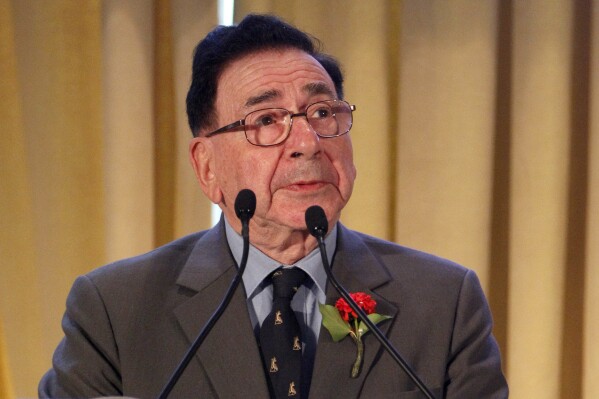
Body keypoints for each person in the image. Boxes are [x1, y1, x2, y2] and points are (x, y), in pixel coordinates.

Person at [39, 14, 508, 398]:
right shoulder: (114, 310)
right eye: (266, 120)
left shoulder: (444, 302)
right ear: (207, 167)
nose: (307, 141)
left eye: (323, 113)